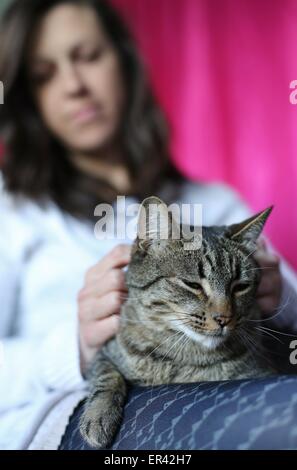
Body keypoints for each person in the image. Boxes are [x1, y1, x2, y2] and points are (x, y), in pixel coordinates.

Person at [0, 0, 296, 450]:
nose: (74, 85)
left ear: (125, 60)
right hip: (73, 415)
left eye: (88, 56)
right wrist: (72, 347)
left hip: (233, 386)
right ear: (30, 99)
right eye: (45, 74)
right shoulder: (14, 208)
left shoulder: (215, 203)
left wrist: (280, 299)